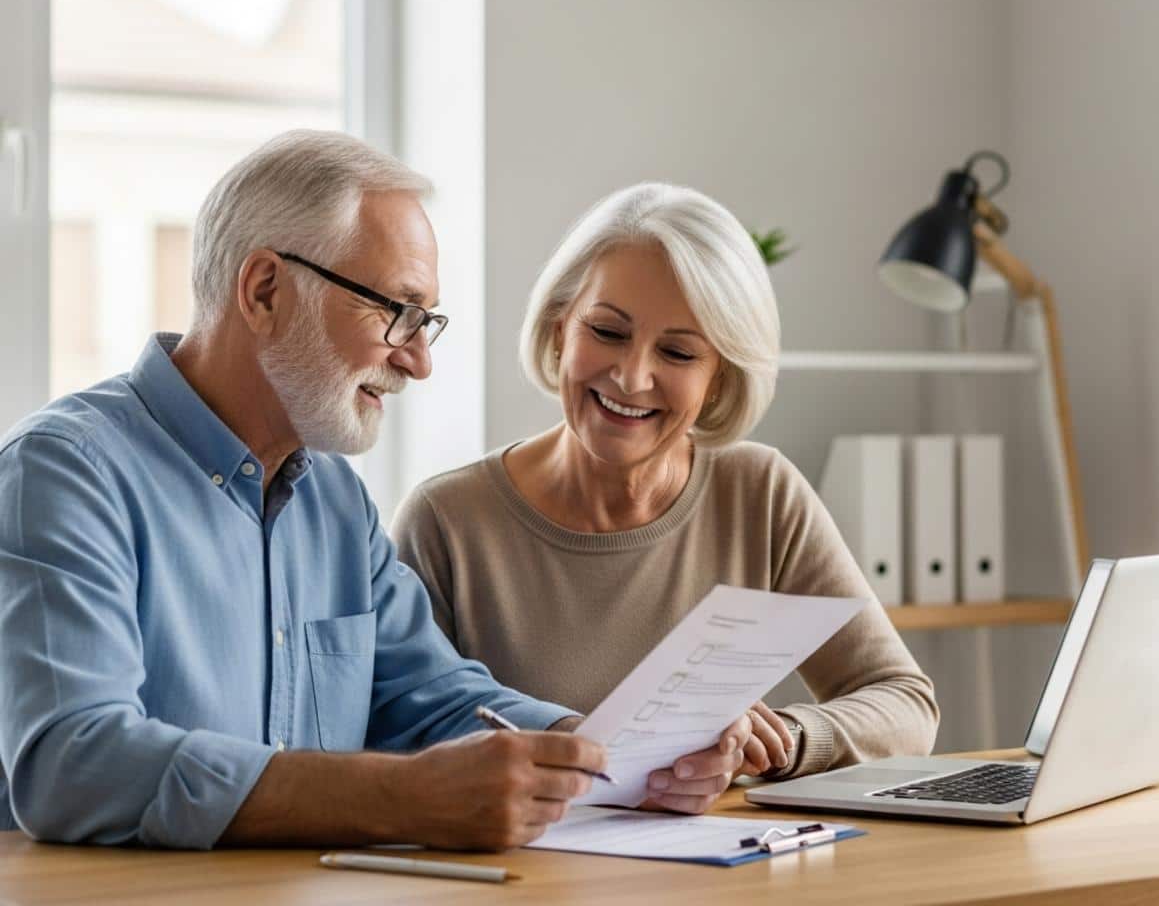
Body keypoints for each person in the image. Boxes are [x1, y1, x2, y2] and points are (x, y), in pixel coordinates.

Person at [0, 134, 747, 850]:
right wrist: (399, 796)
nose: (419, 362)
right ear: (265, 290)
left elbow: (434, 697)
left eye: (427, 323)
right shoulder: (65, 475)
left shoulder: (334, 500)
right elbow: (73, 762)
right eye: (398, 311)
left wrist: (615, 752)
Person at [392, 182, 939, 795]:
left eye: (678, 352)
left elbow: (905, 705)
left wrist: (777, 742)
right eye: (606, 331)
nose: (631, 376)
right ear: (558, 329)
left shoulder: (759, 493)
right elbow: (402, 729)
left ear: (719, 378)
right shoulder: (447, 520)